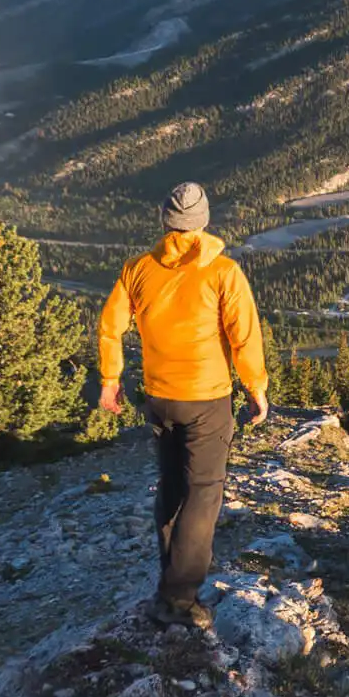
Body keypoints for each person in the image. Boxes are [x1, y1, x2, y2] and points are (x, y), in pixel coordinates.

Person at [97, 182, 269, 630]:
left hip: (159, 398)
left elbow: (110, 328)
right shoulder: (224, 272)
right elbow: (244, 336)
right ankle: (177, 598)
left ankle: (169, 577)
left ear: (165, 221)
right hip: (206, 398)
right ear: (204, 221)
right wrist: (256, 388)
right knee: (205, 492)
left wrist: (110, 381)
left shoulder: (136, 270)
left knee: (171, 485)